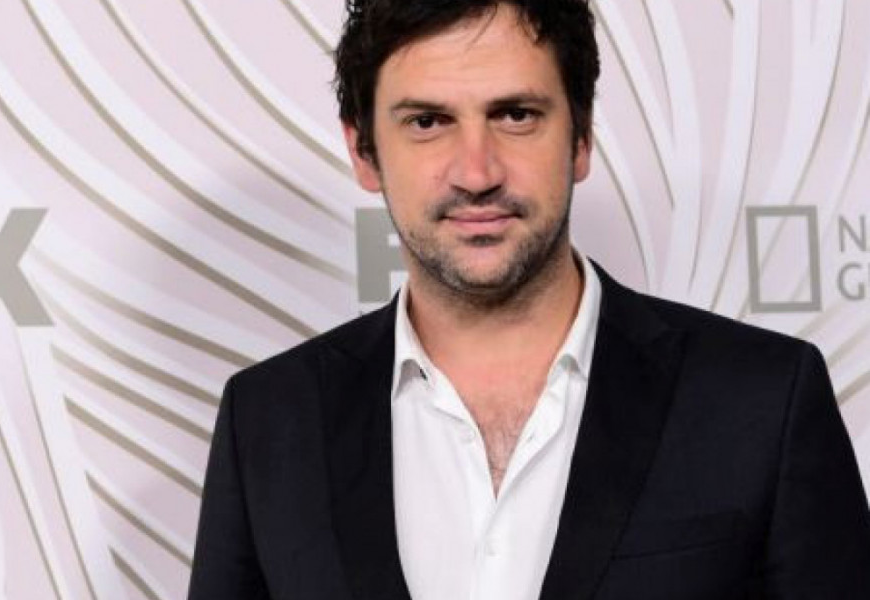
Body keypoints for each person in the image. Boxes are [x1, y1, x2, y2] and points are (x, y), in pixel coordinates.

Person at [188, 0, 870, 598]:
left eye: (516, 115)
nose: (476, 172)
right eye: (427, 122)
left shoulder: (761, 400)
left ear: (581, 136)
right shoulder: (270, 421)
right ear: (364, 152)